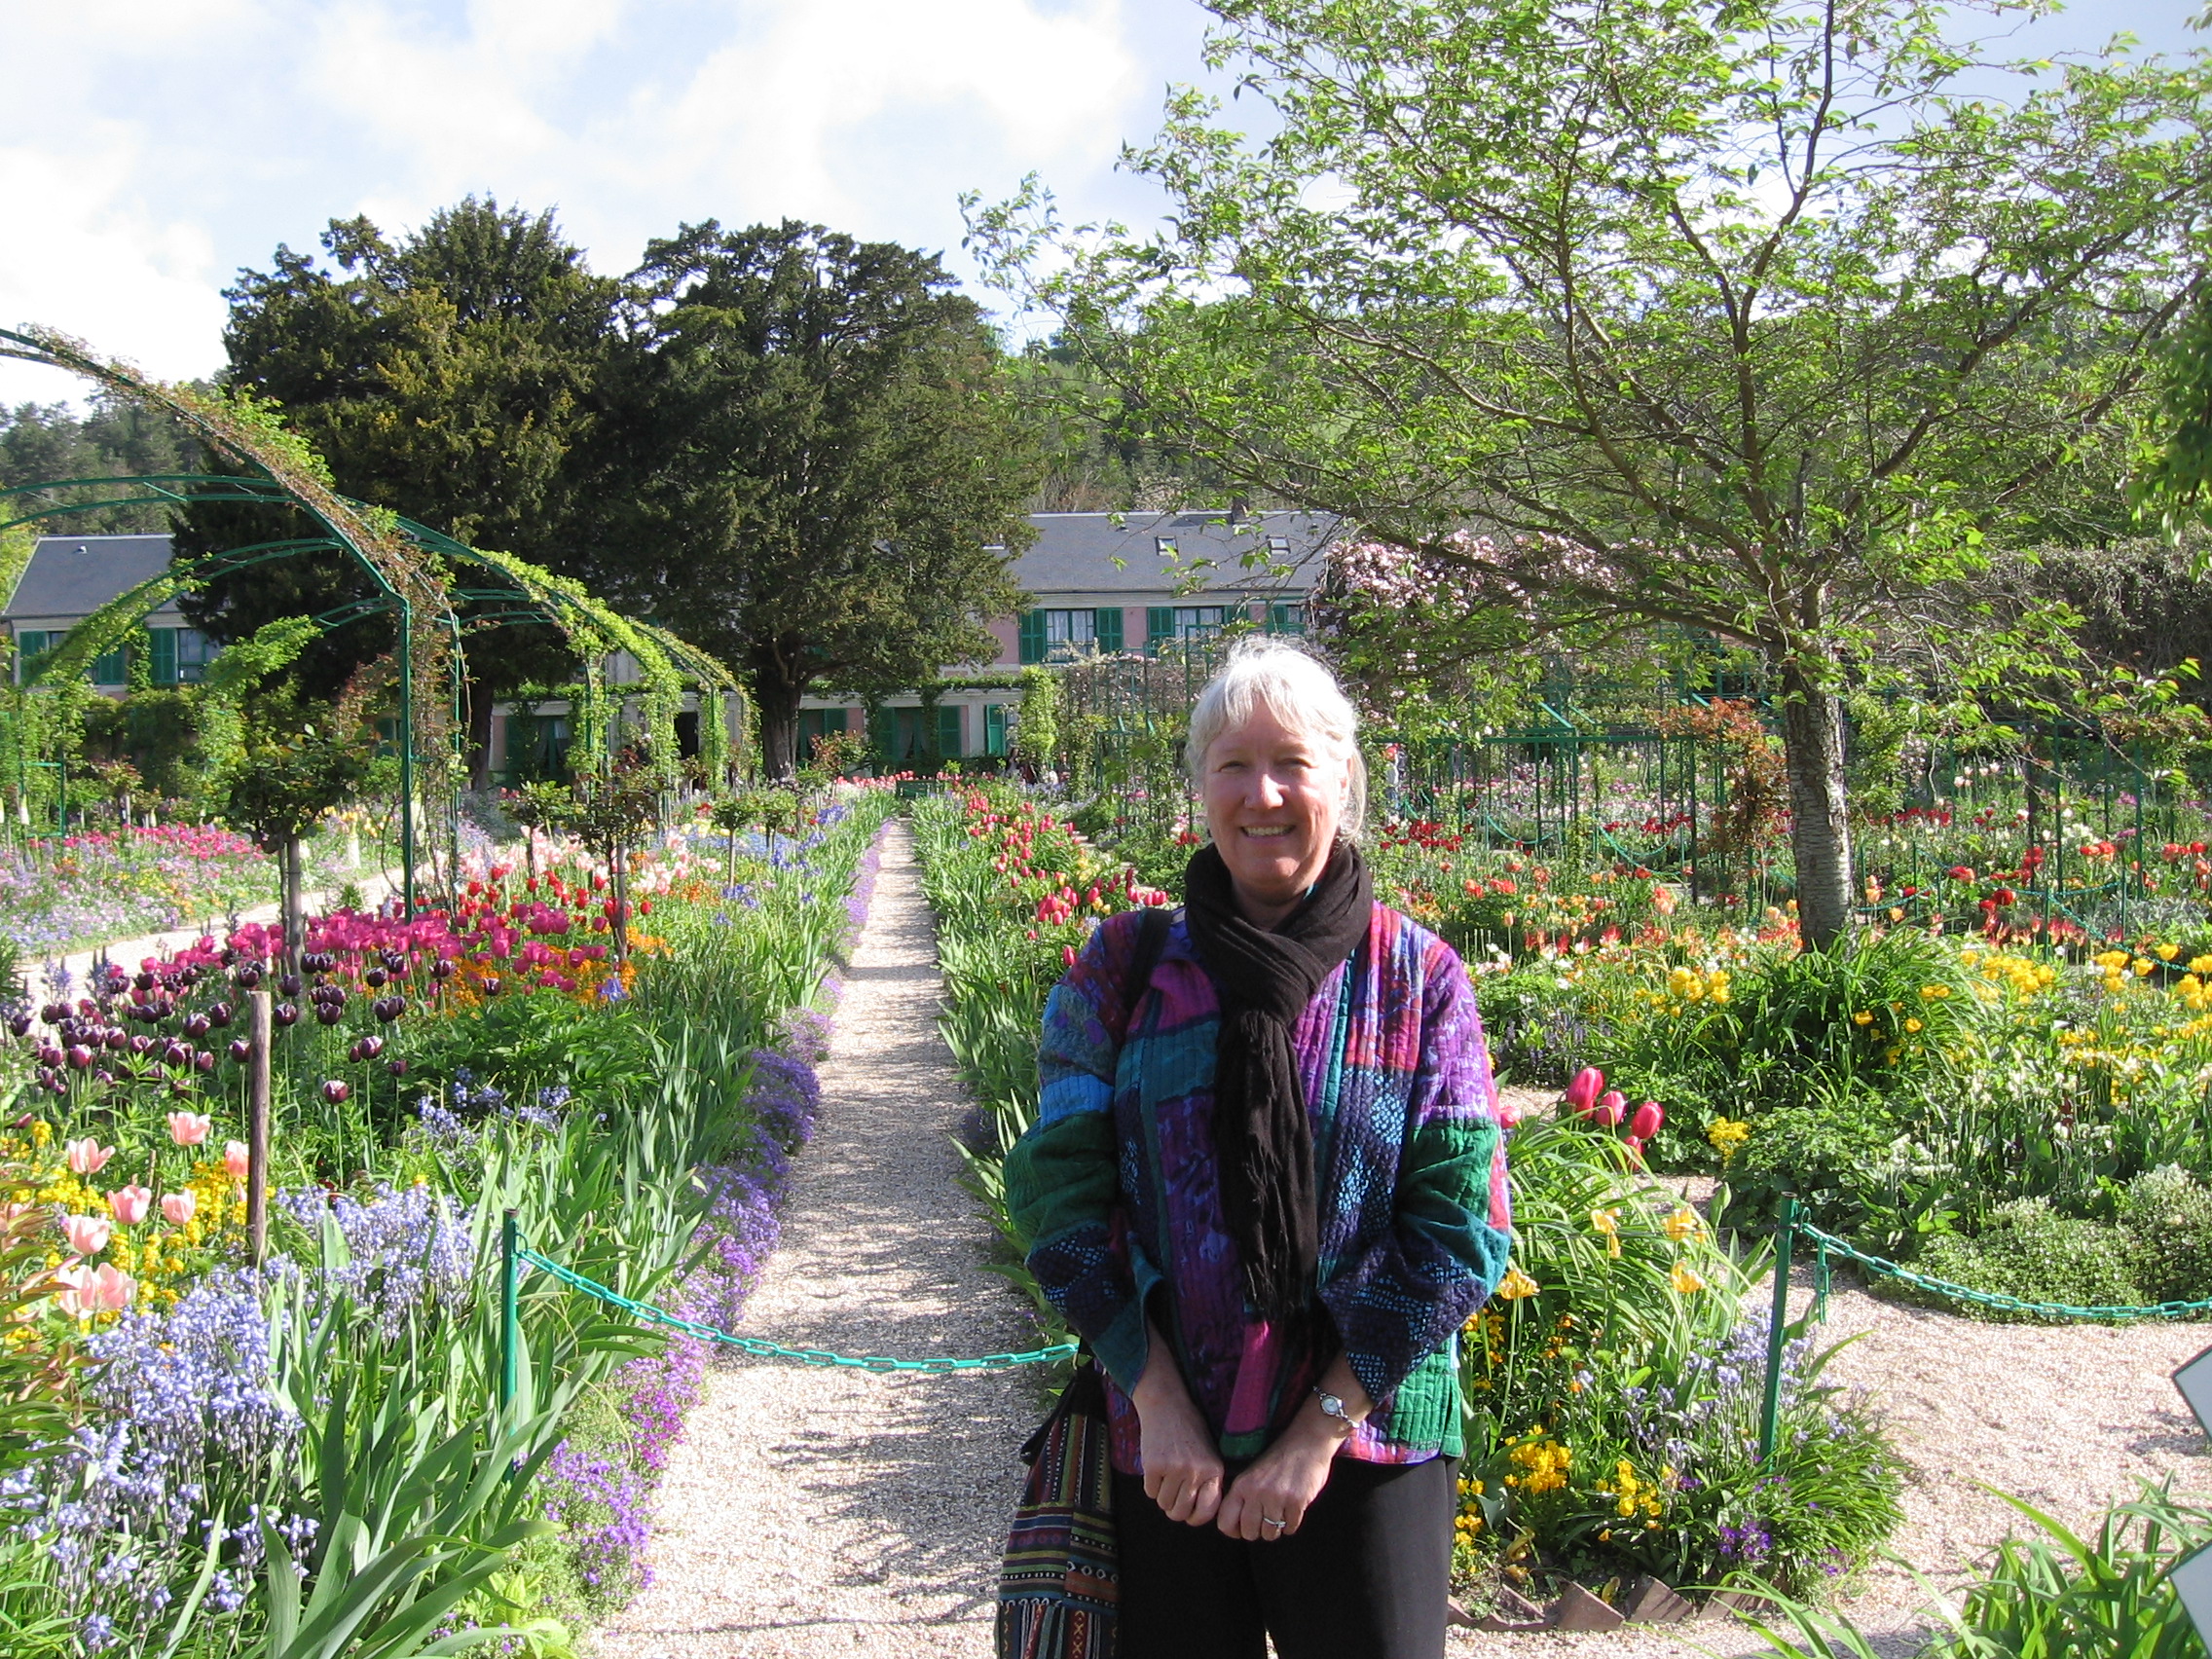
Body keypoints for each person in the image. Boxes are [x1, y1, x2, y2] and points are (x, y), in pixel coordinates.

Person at [1005, 638, 1512, 1659]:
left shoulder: (1417, 980)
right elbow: (1061, 1204)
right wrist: (1156, 1402)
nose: (1262, 792)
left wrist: (1316, 1430)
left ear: (1343, 779)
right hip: (1169, 1450)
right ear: (1199, 788)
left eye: (1291, 762)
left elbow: (1461, 1232)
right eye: (1233, 764)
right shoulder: (1123, 970)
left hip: (1367, 1439)